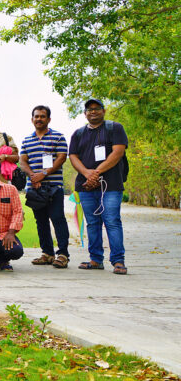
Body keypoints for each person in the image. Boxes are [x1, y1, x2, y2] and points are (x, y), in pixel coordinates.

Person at [69, 98, 129, 275]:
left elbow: (118, 152)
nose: (93, 112)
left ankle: (118, 261)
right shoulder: (78, 133)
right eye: (89, 109)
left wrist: (96, 172)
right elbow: (73, 156)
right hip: (86, 186)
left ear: (103, 111)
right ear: (85, 114)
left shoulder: (114, 128)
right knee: (92, 223)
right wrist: (88, 174)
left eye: (97, 108)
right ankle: (95, 259)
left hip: (111, 185)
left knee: (112, 221)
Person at [20, 105, 70, 268]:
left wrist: (44, 174)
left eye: (42, 116)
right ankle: (47, 253)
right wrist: (33, 176)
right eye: (36, 116)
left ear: (48, 119)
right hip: (34, 187)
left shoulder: (58, 137)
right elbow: (23, 160)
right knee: (40, 221)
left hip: (54, 185)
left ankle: (63, 254)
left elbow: (61, 158)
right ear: (32, 119)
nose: (39, 119)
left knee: (57, 218)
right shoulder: (27, 140)